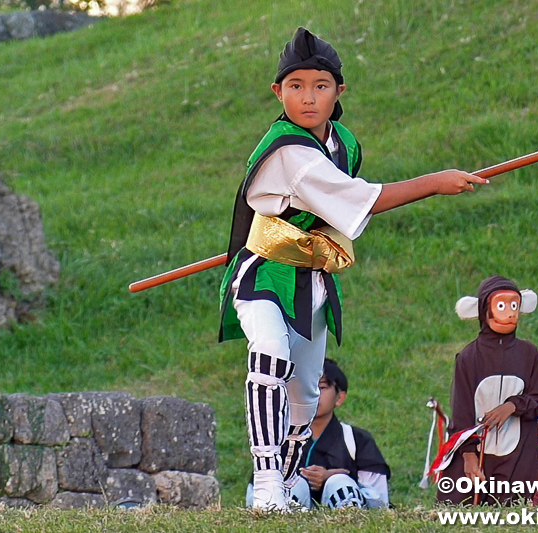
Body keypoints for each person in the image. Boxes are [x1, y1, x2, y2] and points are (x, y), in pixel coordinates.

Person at [220, 27, 487, 511]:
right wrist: (435, 182)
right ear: (277, 93)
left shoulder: (342, 141)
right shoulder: (290, 152)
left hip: (313, 277)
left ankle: (284, 480)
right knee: (270, 353)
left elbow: (338, 210)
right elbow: (367, 199)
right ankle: (265, 486)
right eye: (295, 86)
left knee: (303, 388)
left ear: (339, 92)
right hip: (266, 271)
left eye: (320, 86)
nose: (307, 97)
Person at [434, 275, 538, 506]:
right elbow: (462, 410)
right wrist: (468, 455)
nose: (510, 313)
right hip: (477, 449)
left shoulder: (529, 354)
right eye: (502, 305)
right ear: (485, 310)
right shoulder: (469, 357)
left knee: (511, 507)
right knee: (463, 505)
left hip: (517, 450)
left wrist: (512, 406)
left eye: (514, 305)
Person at [247, 358, 391, 509]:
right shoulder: (278, 440)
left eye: (321, 387)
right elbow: (255, 496)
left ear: (340, 397)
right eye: (306, 386)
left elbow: (379, 500)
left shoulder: (358, 440)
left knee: (340, 482)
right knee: (295, 484)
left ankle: (348, 516)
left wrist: (337, 478)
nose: (313, 393)